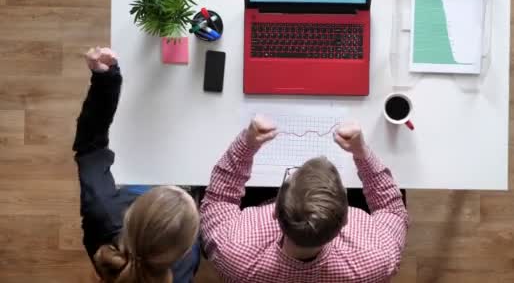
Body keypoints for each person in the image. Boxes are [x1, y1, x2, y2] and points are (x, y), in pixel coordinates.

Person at [200, 116, 409, 282]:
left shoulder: (231, 253)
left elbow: (219, 201)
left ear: (274, 209)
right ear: (345, 220)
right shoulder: (378, 257)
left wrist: (246, 144)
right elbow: (392, 210)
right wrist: (362, 153)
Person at [73, 47, 201, 282]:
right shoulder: (185, 266)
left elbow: (89, 146)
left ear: (132, 214)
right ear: (187, 251)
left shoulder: (102, 210)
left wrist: (105, 81)